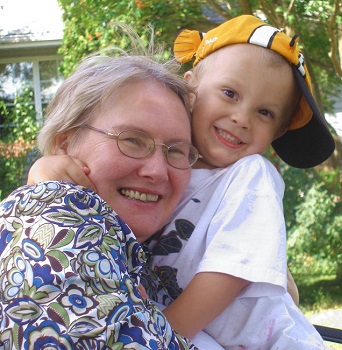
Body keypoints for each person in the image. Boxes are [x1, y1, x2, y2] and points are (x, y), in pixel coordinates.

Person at [26, 15, 335, 349]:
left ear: (278, 132)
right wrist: (45, 175)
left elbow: (229, 274)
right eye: (230, 93)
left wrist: (156, 336)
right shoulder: (165, 174)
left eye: (265, 113)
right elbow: (88, 209)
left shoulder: (251, 175)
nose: (241, 118)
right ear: (191, 91)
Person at [0, 45, 212, 349]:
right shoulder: (53, 228)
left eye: (176, 150)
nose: (157, 171)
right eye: (133, 140)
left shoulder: (134, 251)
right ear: (65, 143)